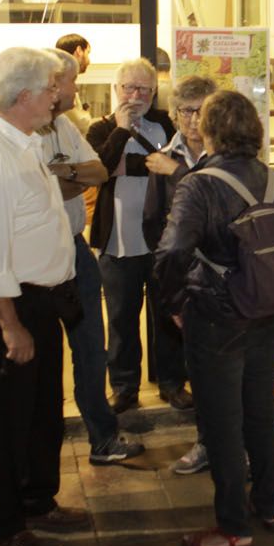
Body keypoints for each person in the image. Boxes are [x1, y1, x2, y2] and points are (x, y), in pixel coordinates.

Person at [0, 46, 86, 546]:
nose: (59, 95)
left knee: (42, 409)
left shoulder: (25, 141)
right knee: (7, 417)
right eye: (52, 87)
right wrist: (10, 327)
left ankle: (36, 499)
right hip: (8, 305)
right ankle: (4, 522)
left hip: (39, 302)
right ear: (24, 95)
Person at [153, 91, 274, 546]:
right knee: (260, 408)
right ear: (253, 130)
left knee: (222, 422)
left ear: (209, 131)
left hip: (218, 316)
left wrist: (172, 301)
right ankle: (269, 503)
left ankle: (233, 526)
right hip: (271, 311)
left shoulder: (199, 184)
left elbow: (173, 250)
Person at [39, 49, 145, 467]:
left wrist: (61, 174)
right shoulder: (24, 131)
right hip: (41, 253)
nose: (77, 88)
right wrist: (67, 175)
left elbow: (98, 171)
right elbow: (47, 186)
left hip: (75, 246)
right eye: (71, 82)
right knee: (49, 357)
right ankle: (44, 455)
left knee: (90, 348)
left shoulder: (64, 126)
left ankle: (103, 439)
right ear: (51, 84)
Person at [86, 59, 186, 413]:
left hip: (162, 241)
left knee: (168, 315)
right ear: (116, 90)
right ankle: (125, 387)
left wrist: (127, 168)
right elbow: (99, 170)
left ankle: (172, 383)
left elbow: (181, 169)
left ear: (154, 91)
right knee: (121, 318)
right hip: (117, 241)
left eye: (144, 88)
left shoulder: (167, 123)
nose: (136, 95)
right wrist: (123, 132)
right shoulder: (100, 129)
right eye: (129, 87)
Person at [146, 74, 220, 476]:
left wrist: (175, 171)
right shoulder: (164, 155)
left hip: (220, 279)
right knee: (199, 366)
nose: (193, 119)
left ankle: (225, 445)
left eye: (202, 110)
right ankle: (210, 443)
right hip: (184, 278)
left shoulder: (226, 157)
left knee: (223, 373)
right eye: (186, 111)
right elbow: (154, 221)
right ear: (174, 116)